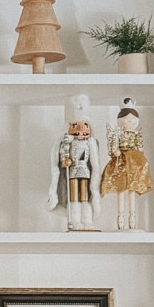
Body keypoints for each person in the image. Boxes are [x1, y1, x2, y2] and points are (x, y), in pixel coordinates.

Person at [47, 93, 102, 231]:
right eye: (75, 126)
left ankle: (86, 220)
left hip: (85, 173)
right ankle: (75, 219)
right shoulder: (67, 144)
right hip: (72, 172)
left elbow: (93, 163)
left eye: (84, 125)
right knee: (74, 196)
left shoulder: (91, 144)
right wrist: (64, 161)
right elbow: (61, 158)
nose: (80, 130)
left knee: (85, 195)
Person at [100, 97, 154, 231]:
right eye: (127, 119)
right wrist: (115, 152)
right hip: (121, 162)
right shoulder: (118, 134)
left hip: (134, 162)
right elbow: (113, 147)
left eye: (132, 119)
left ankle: (132, 222)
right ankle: (121, 222)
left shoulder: (136, 135)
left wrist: (139, 158)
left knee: (132, 191)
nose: (130, 121)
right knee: (120, 190)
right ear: (120, 120)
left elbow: (140, 147)